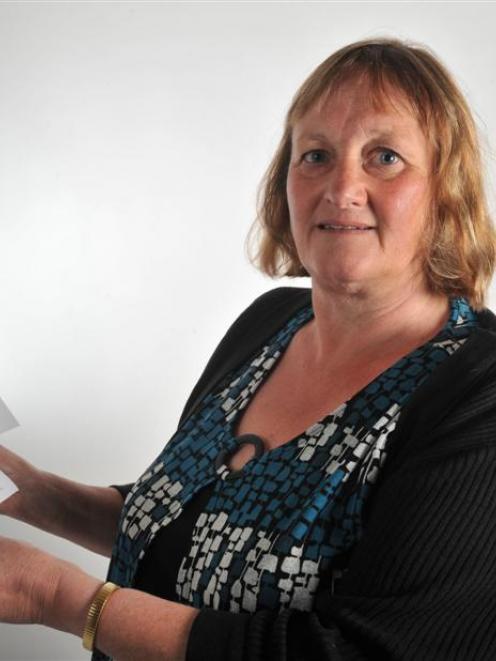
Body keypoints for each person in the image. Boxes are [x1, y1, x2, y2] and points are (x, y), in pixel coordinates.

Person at [1, 36, 496, 660]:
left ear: (446, 191)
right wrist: (45, 498)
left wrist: (56, 596)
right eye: (314, 154)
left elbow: (366, 651)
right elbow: (206, 536)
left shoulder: (477, 394)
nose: (342, 185)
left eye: (386, 156)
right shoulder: (270, 323)